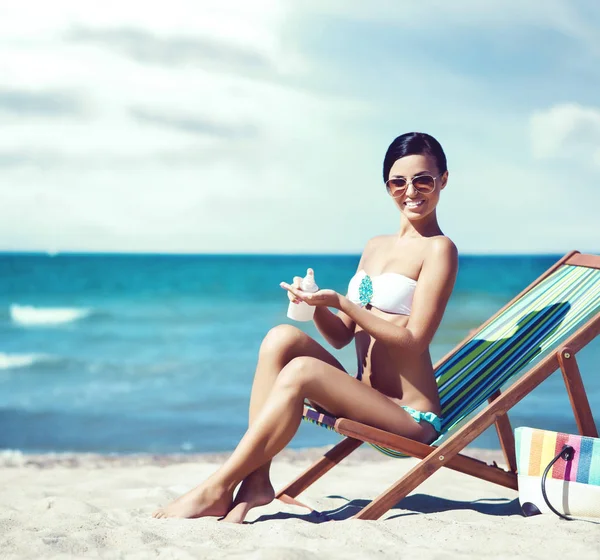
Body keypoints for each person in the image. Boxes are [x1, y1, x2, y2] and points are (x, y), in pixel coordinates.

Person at [153, 132, 458, 523]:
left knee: (302, 371)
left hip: (410, 419)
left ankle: (217, 487)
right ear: (388, 187)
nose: (411, 191)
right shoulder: (375, 246)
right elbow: (342, 335)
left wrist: (343, 302)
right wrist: (315, 306)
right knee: (280, 338)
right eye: (399, 182)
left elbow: (414, 342)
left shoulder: (439, 249)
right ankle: (257, 482)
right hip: (366, 395)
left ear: (442, 181)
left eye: (423, 180)